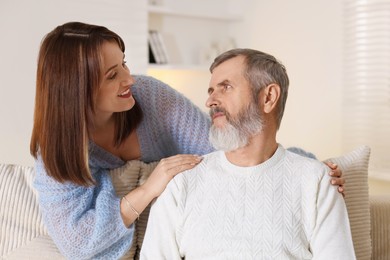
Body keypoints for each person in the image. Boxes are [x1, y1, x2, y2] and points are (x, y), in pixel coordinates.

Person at [30, 22, 344, 259]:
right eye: (112, 76)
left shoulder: (150, 97)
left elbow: (233, 149)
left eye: (123, 63)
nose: (130, 79)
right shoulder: (55, 153)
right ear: (76, 91)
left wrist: (304, 167)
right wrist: (150, 188)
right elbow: (76, 242)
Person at [140, 49, 356, 259]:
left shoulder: (317, 181)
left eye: (225, 87)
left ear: (268, 97)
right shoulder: (181, 181)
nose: (210, 101)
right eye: (211, 90)